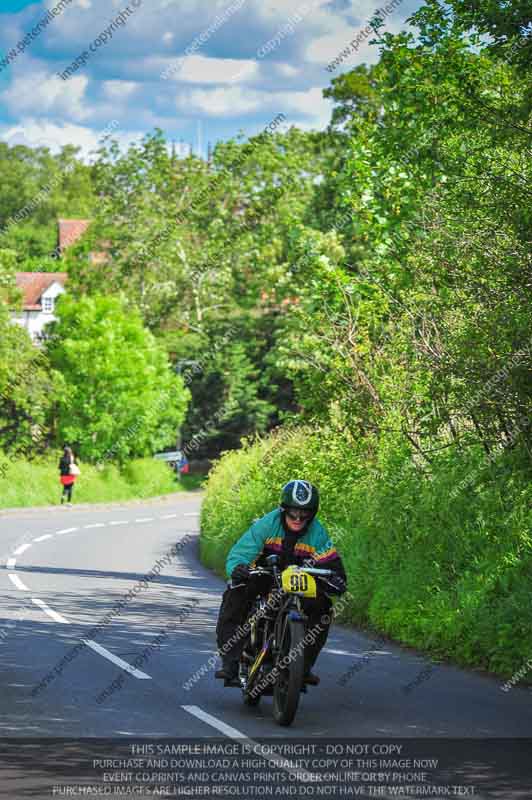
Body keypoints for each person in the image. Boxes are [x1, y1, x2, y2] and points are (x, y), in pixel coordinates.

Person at [215, 479, 347, 685]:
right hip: (265, 575)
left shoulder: (318, 533)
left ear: (312, 514)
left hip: (300, 580)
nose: (298, 518)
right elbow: (240, 553)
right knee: (236, 593)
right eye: (293, 513)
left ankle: (302, 668)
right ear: (284, 510)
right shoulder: (267, 524)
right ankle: (230, 662)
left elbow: (333, 566)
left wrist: (336, 581)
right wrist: (239, 569)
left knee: (323, 607)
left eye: (304, 514)